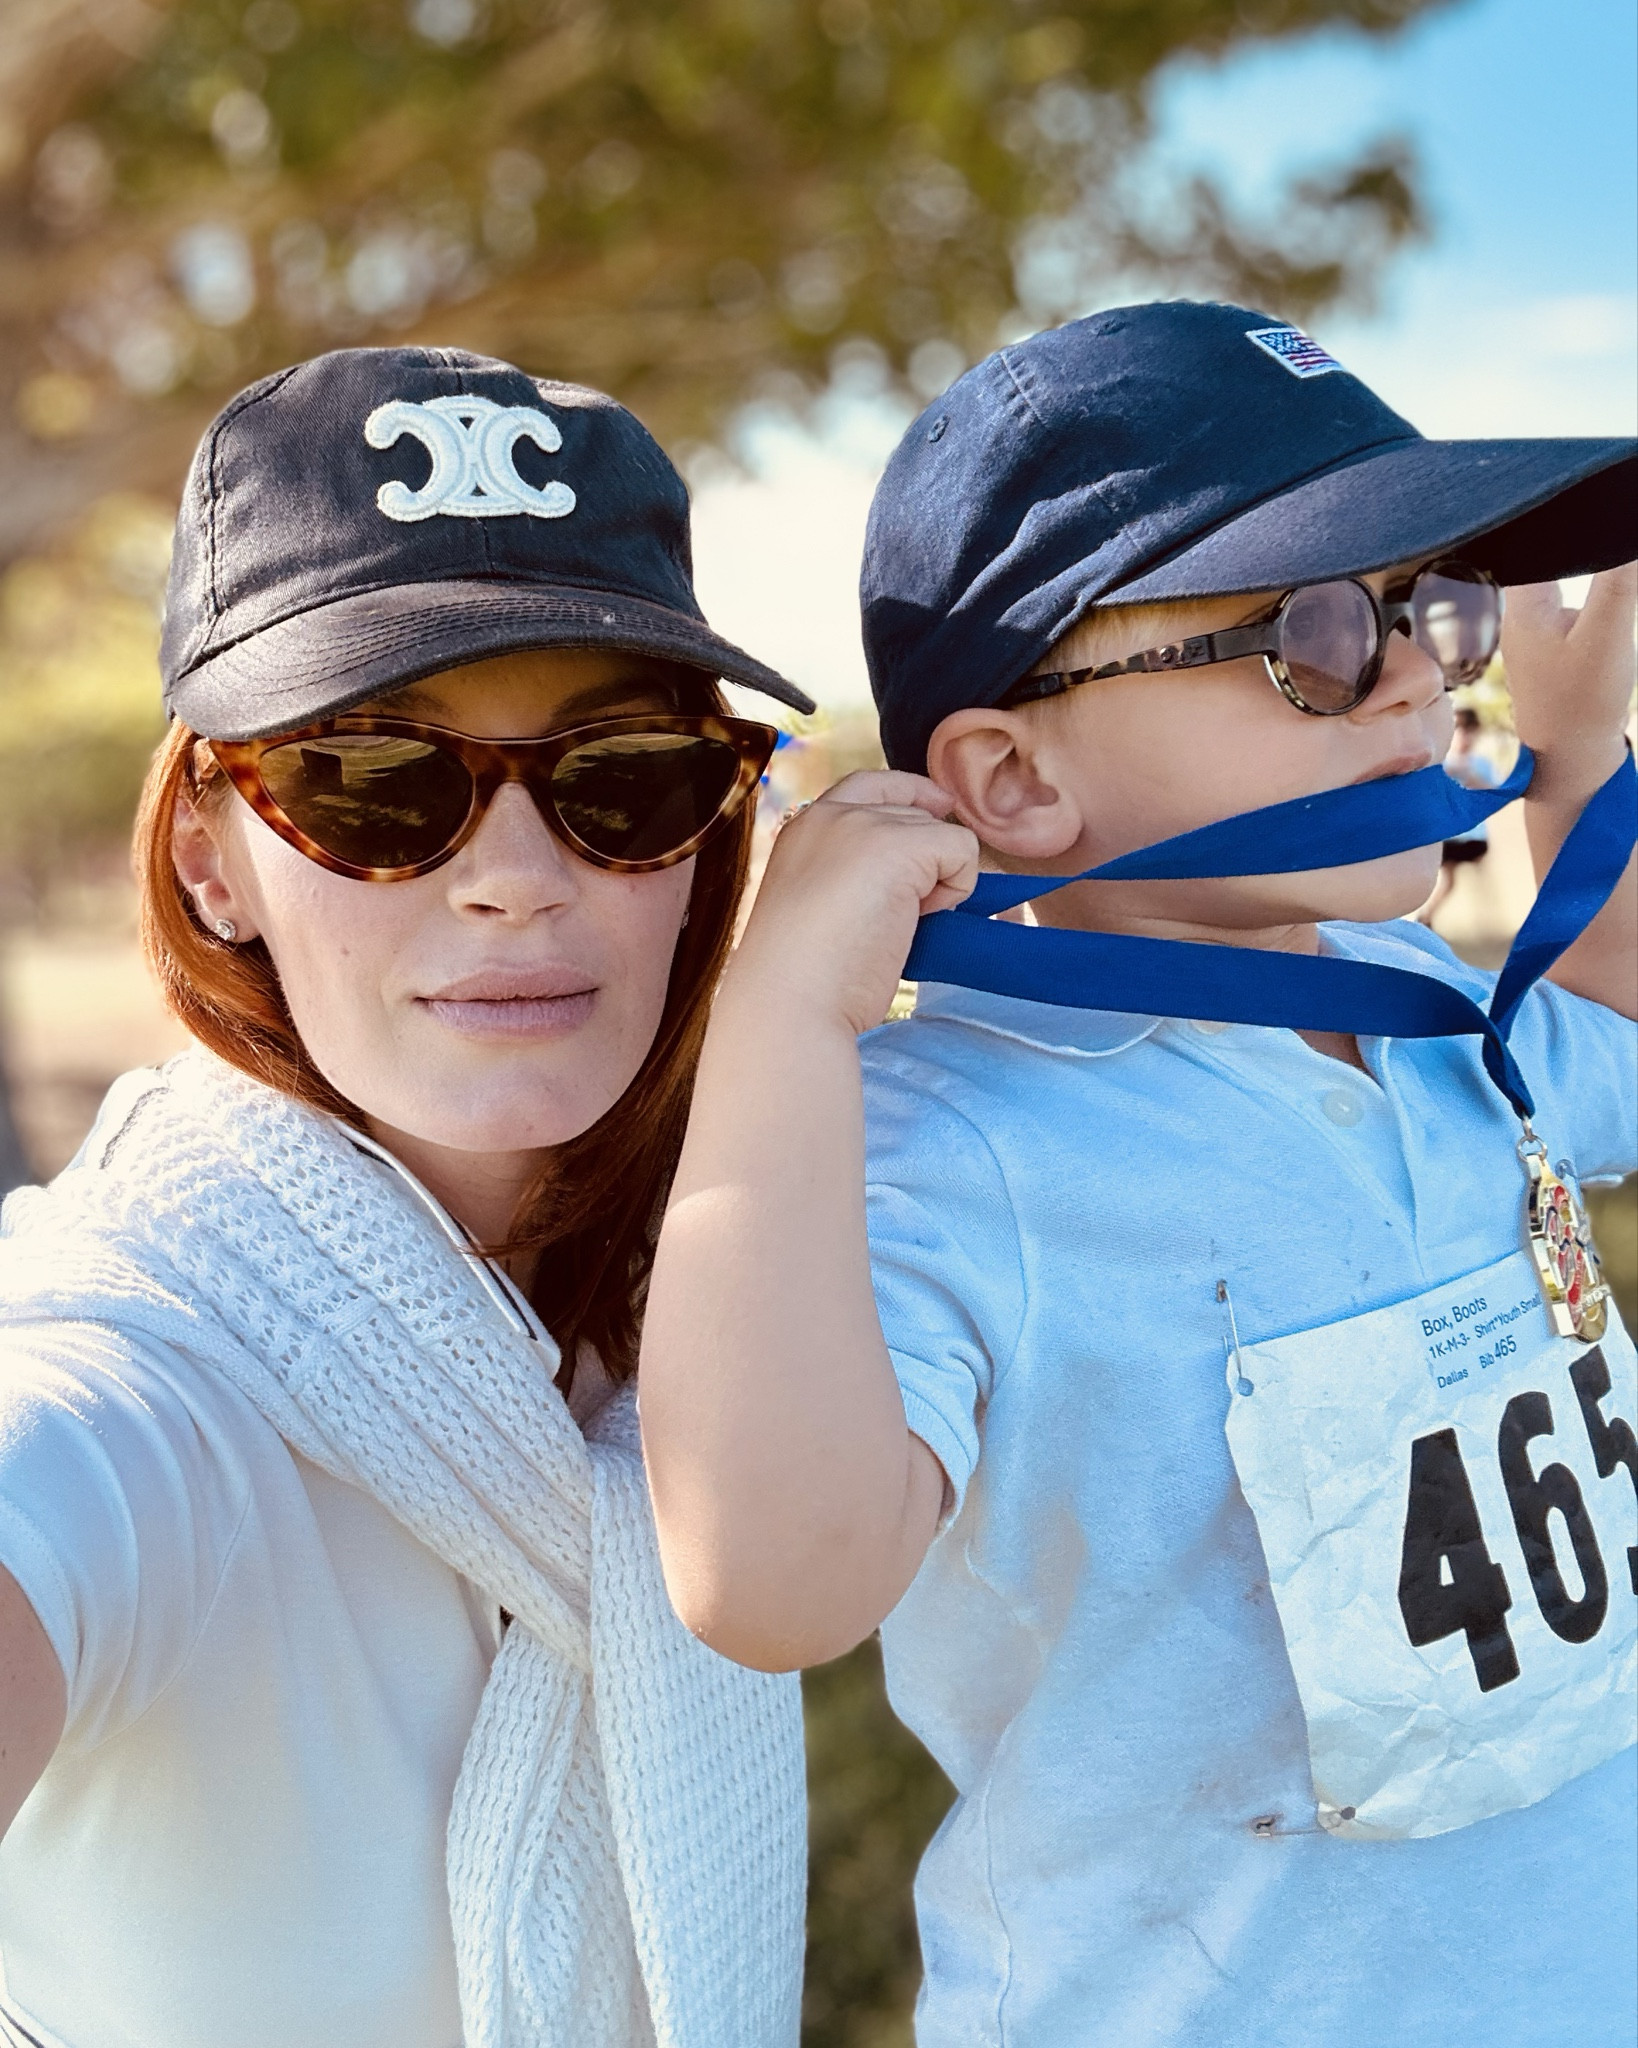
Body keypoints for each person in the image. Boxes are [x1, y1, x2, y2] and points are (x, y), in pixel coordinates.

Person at [638, 303, 1638, 2046]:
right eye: (1318, 633)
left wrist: (1567, 762)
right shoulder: (948, 1139)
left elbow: (1622, 1028)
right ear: (1016, 777)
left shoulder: (1429, 1023)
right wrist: (784, 1022)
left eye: (1434, 609)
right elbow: (773, 1575)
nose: (1418, 672)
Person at [0, 347, 811, 2048]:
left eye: (622, 779)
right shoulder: (124, 1367)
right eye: (376, 781)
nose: (515, 879)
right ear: (211, 852)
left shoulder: (749, 1302)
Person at [1420, 705, 1503, 925]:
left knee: (1462, 879)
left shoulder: (1481, 765)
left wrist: (1471, 775)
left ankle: (1486, 918)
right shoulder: (1440, 762)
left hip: (1472, 837)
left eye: (1470, 731)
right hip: (1446, 835)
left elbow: (1494, 794)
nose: (1464, 737)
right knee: (1445, 879)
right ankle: (1426, 918)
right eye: (1459, 729)